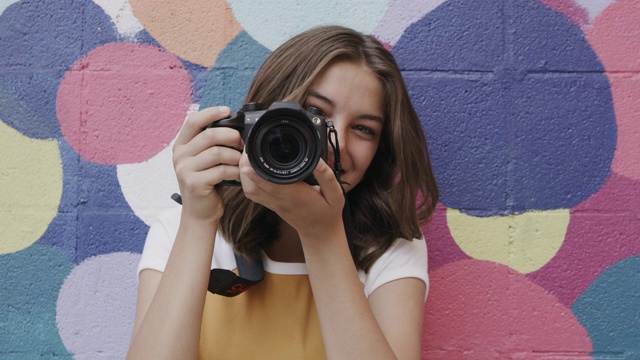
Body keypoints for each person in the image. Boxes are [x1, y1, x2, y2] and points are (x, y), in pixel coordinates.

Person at [128, 25, 439, 359]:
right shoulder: (182, 226)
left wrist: (323, 235)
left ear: (382, 149)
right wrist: (198, 221)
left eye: (364, 129)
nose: (339, 145)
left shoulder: (389, 247)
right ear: (264, 120)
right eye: (316, 115)